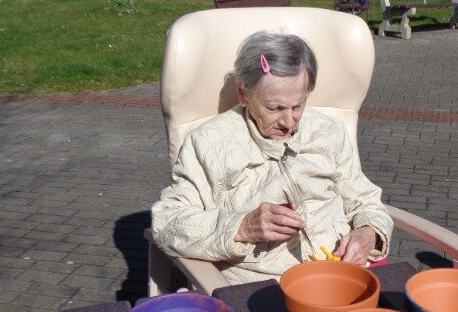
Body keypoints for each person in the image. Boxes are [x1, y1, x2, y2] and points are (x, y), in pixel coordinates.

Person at [151, 31, 394, 285]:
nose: (288, 121)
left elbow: (365, 200)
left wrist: (368, 234)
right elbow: (167, 223)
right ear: (244, 94)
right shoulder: (208, 144)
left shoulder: (329, 131)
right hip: (266, 284)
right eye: (274, 108)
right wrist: (243, 227)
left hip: (342, 270)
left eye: (298, 105)